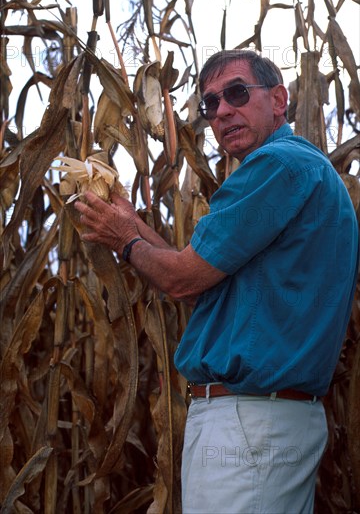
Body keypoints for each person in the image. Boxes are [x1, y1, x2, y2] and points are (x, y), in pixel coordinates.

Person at [75, 49, 359, 514]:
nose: (223, 110)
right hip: (263, 425)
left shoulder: (277, 167)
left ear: (279, 100)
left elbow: (183, 281)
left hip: (249, 428)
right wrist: (133, 223)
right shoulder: (301, 169)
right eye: (211, 103)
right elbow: (201, 279)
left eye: (237, 93)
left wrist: (124, 240)